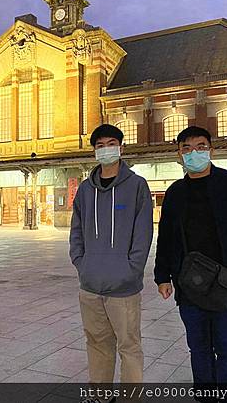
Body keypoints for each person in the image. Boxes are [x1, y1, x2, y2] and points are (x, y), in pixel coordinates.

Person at [154, 126, 227, 403]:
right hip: (189, 284)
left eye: (201, 146)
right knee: (199, 347)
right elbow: (166, 237)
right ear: (179, 154)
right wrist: (163, 276)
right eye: (187, 148)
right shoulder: (176, 192)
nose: (194, 153)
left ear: (211, 150)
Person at [69, 123, 153, 394]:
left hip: (123, 288)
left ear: (121, 147)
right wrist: (81, 263)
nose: (105, 150)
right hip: (90, 285)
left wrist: (131, 269)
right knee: (96, 342)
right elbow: (76, 231)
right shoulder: (84, 190)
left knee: (129, 345)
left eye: (110, 144)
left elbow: (143, 233)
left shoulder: (137, 186)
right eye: (99, 146)